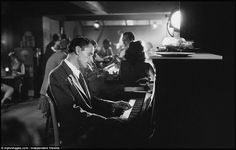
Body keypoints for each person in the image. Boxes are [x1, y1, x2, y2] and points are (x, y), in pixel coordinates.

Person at [48, 37, 132, 148]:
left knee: (122, 128)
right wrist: (106, 122)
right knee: (123, 134)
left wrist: (113, 104)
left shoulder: (77, 72)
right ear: (78, 50)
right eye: (89, 54)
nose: (91, 60)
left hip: (86, 126)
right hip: (77, 134)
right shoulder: (57, 75)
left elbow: (90, 100)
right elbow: (71, 113)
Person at [38, 39, 69, 116]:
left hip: (46, 88)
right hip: (49, 89)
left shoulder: (56, 54)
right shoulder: (62, 56)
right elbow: (65, 71)